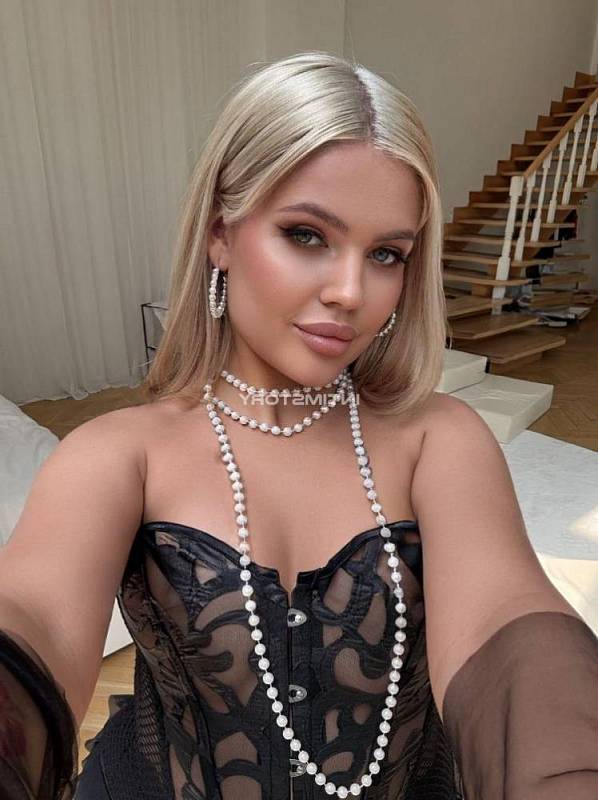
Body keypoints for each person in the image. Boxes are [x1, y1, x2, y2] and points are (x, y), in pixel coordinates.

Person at [1, 50, 597, 800]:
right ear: (221, 233)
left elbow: (504, 616)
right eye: (308, 235)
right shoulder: (118, 455)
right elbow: (33, 619)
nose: (351, 291)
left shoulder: (438, 440)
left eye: (386, 254)